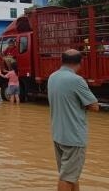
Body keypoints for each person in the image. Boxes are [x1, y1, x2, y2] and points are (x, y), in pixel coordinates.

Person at [48, 49, 99, 191]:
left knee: (71, 176)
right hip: (74, 137)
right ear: (80, 63)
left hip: (58, 134)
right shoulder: (76, 80)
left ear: (61, 60)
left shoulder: (53, 76)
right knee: (67, 178)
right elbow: (94, 106)